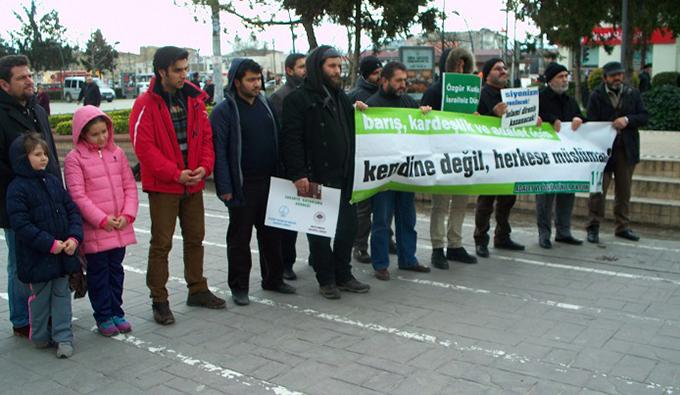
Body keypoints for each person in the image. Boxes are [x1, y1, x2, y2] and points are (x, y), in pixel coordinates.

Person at [129, 46, 224, 325]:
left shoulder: (194, 99)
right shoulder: (146, 104)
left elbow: (206, 138)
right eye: (178, 70)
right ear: (162, 72)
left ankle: (198, 288)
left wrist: (204, 168)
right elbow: (143, 148)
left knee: (196, 238)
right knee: (161, 243)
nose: (184, 75)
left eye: (186, 69)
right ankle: (159, 299)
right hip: (164, 186)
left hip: (192, 183)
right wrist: (175, 173)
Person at [281, 45, 370, 299]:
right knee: (319, 232)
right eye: (331, 66)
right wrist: (298, 174)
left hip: (343, 177)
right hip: (316, 177)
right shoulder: (297, 100)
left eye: (339, 66)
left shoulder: (341, 97)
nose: (336, 71)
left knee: (348, 228)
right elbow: (291, 140)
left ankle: (343, 274)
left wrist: (361, 112)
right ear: (317, 68)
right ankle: (326, 279)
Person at [211, 58, 296, 306]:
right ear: (237, 81)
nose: (256, 84)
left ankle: (273, 279)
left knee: (272, 234)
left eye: (258, 79)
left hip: (270, 181)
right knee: (239, 238)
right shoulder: (224, 112)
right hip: (242, 185)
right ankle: (239, 287)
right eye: (250, 80)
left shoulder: (265, 104)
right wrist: (225, 187)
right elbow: (220, 153)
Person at [0, 55, 62, 338]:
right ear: (3, 84)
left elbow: (50, 157)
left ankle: (43, 314)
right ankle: (22, 319)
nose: (29, 81)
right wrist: (27, 189)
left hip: (47, 199)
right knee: (20, 261)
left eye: (30, 75)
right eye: (21, 78)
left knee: (44, 256)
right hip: (16, 203)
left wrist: (57, 191)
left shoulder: (37, 110)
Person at [6, 133, 83, 358]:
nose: (44, 159)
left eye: (45, 154)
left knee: (61, 296)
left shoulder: (52, 182)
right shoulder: (17, 188)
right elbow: (21, 225)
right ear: (23, 157)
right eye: (37, 154)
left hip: (63, 254)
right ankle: (39, 335)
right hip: (37, 257)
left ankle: (63, 337)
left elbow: (72, 211)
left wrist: (74, 238)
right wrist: (49, 244)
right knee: (40, 299)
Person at [64, 106, 138, 336]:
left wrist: (127, 214)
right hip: (97, 229)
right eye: (95, 134)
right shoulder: (74, 159)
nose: (101, 138)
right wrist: (102, 219)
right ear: (82, 134)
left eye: (104, 132)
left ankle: (117, 311)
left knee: (116, 271)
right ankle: (104, 315)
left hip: (119, 227)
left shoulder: (117, 153)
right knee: (98, 274)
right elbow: (77, 195)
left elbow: (129, 186)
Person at [364, 61, 432, 280]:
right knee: (382, 221)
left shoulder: (408, 102)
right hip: (383, 176)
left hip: (405, 174)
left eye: (405, 80)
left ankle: (408, 259)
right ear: (385, 81)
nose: (404, 84)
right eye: (399, 80)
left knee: (407, 219)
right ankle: (380, 264)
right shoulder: (371, 105)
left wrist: (425, 114)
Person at [421, 47, 478, 269]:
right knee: (440, 205)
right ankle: (437, 247)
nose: (461, 68)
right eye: (457, 64)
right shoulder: (435, 90)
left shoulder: (472, 92)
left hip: (464, 156)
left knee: (461, 203)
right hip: (442, 156)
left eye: (465, 64)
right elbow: (422, 121)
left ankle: (455, 244)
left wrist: (477, 117)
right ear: (449, 66)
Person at [586, 61, 648, 243]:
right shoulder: (596, 96)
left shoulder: (632, 93)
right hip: (602, 152)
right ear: (605, 78)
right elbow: (591, 121)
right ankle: (593, 226)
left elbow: (644, 116)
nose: (618, 78)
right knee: (597, 191)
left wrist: (627, 120)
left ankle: (622, 227)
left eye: (620, 74)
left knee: (624, 191)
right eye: (613, 75)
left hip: (626, 150)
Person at [474, 58, 529, 258]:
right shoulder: (481, 95)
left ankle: (502, 236)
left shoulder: (512, 95)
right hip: (490, 155)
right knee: (486, 199)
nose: (504, 71)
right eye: (498, 69)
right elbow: (473, 123)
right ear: (487, 74)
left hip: (510, 154)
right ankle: (481, 239)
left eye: (505, 68)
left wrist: (534, 119)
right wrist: (492, 113)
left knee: (508, 197)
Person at [347, 55, 397, 264]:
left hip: (384, 158)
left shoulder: (385, 94)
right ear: (367, 75)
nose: (379, 76)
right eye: (375, 73)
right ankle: (359, 245)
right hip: (364, 159)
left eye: (380, 73)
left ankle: (386, 237)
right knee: (364, 207)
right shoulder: (356, 96)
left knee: (385, 206)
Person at [536, 62, 585, 249]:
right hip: (545, 155)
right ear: (550, 80)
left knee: (567, 193)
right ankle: (544, 234)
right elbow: (532, 117)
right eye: (560, 77)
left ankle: (564, 232)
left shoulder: (570, 100)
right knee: (545, 196)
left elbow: (582, 118)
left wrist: (579, 119)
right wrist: (550, 119)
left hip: (567, 156)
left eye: (566, 76)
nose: (565, 80)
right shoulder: (539, 98)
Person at [269, 52, 306, 280]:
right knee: (287, 221)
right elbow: (282, 135)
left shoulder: (308, 93)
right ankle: (285, 263)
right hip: (287, 168)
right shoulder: (279, 97)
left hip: (306, 165)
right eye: (301, 67)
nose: (305, 71)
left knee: (311, 216)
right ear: (289, 70)